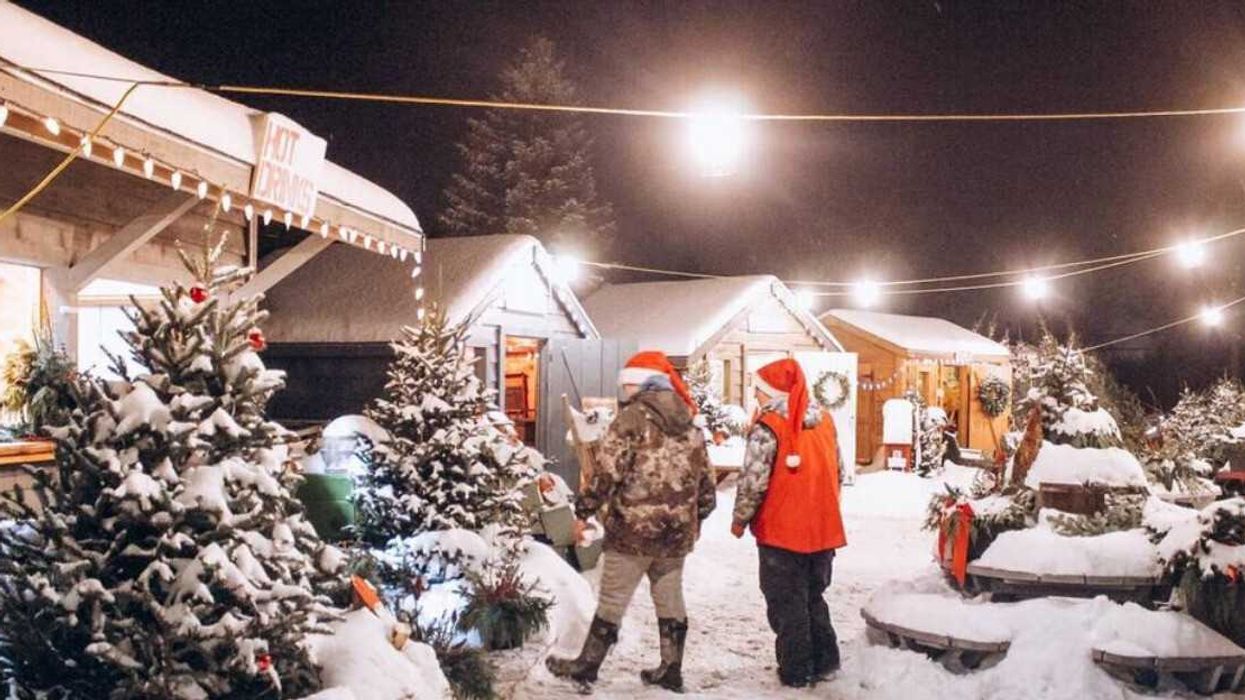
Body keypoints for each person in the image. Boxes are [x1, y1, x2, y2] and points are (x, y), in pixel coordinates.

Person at [547, 351, 717, 692]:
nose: (623, 389)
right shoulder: (690, 421)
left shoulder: (631, 419)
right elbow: (707, 483)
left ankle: (586, 666)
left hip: (633, 532)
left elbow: (606, 473)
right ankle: (671, 668)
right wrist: (692, 518)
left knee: (613, 598)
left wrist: (583, 509)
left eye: (625, 382)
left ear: (637, 382)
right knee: (670, 597)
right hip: (674, 535)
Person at [731, 358, 846, 688]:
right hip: (822, 529)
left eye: (757, 389)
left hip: (782, 531)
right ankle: (826, 661)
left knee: (786, 602)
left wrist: (740, 519)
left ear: (770, 391)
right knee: (813, 596)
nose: (755, 395)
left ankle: (796, 670)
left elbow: (754, 480)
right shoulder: (824, 419)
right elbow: (838, 471)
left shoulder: (768, 425)